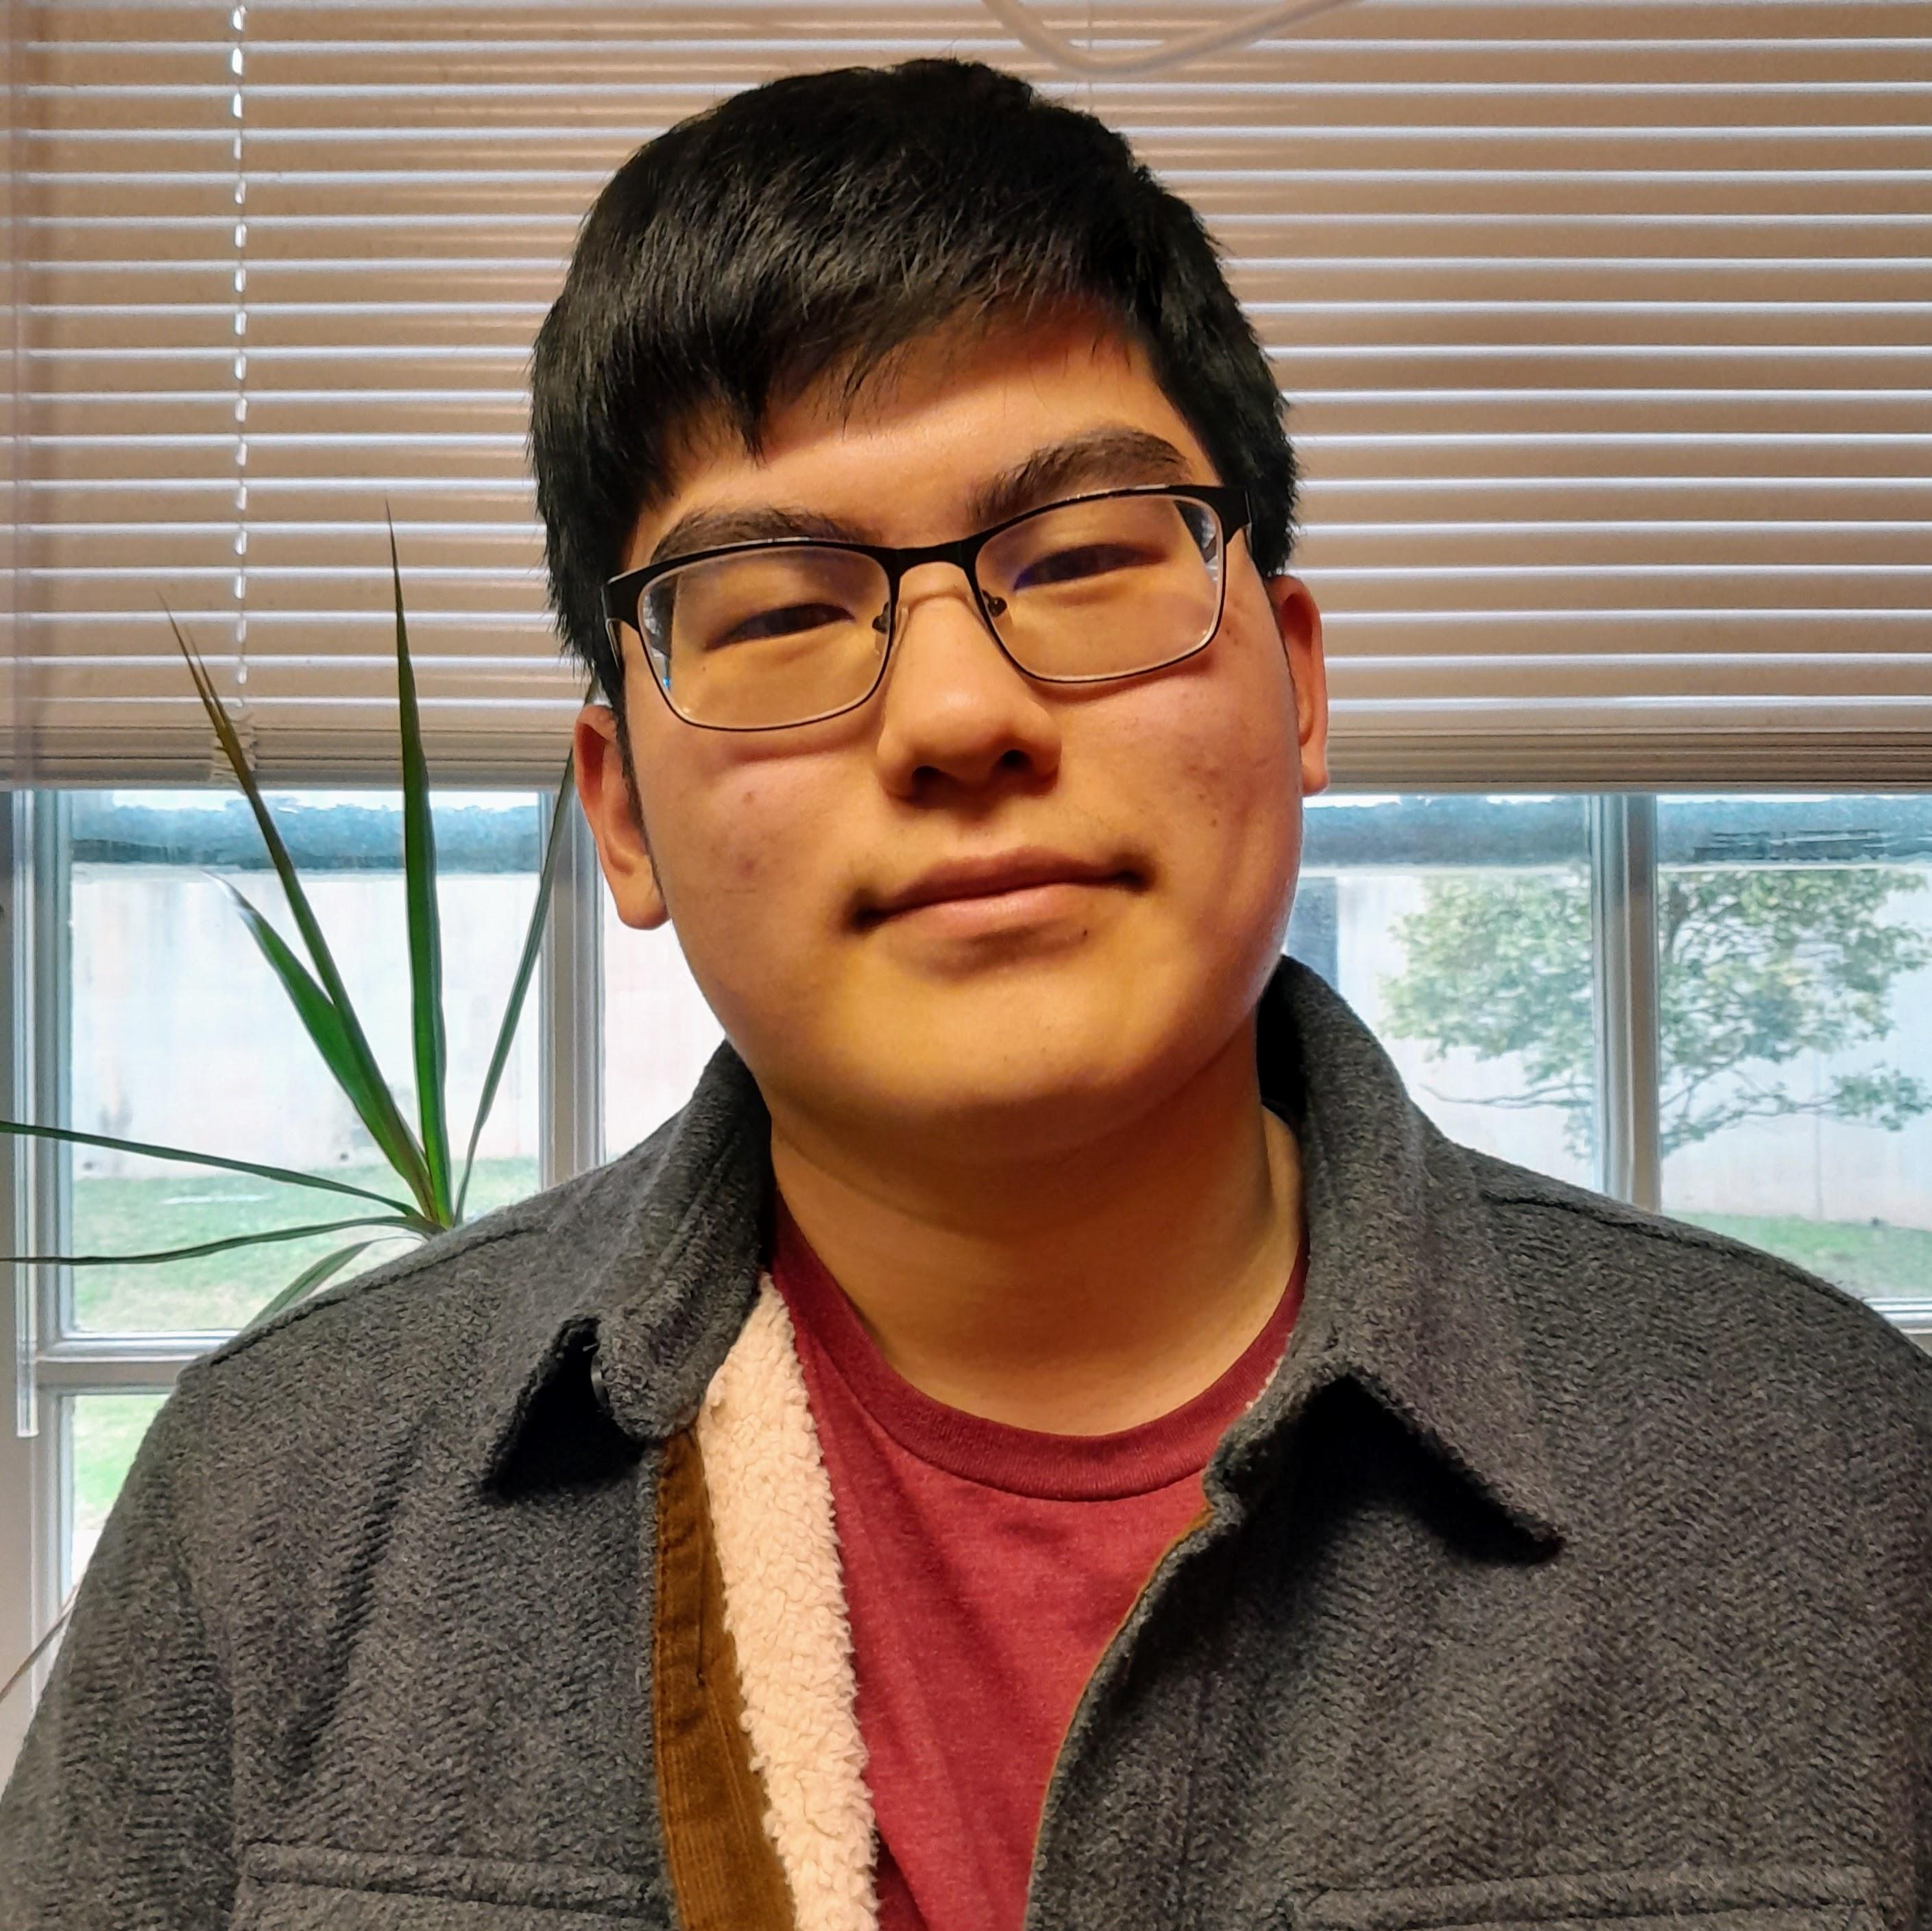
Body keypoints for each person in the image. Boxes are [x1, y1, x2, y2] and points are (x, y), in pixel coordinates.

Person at [3, 55, 1927, 1931]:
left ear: (1295, 674)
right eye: (771, 612)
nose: (954, 714)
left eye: (1083, 558)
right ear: (623, 813)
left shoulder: (1831, 1491)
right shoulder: (276, 1517)